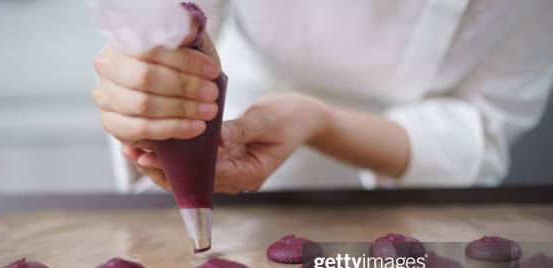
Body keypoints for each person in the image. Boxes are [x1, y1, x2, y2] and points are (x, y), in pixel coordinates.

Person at [91, 0, 553, 194]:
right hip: (223, 134)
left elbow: (482, 127)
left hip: (417, 198)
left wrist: (318, 122)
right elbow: (163, 24)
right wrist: (145, 81)